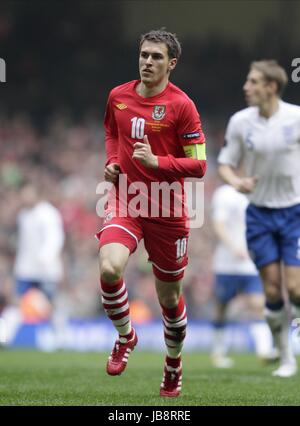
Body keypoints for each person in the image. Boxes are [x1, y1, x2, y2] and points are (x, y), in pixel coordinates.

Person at [96, 29, 207, 397]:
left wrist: (157, 161)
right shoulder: (118, 96)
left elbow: (200, 165)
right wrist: (113, 162)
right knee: (110, 266)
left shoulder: (182, 106)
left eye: (156, 57)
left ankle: (173, 365)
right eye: (144, 55)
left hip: (166, 208)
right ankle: (126, 337)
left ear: (171, 64)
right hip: (126, 198)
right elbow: (112, 133)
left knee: (170, 299)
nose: (147, 62)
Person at [218, 60, 300, 377]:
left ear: (272, 87)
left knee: (295, 289)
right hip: (260, 214)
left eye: (253, 82)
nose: (246, 87)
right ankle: (285, 357)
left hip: (294, 211)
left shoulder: (295, 118)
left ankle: (291, 340)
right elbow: (225, 163)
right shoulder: (240, 122)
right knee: (271, 291)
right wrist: (236, 181)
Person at [210, 184, 277, 368]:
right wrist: (234, 247)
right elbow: (218, 223)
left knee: (257, 304)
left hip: (250, 263)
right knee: (222, 307)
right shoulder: (225, 193)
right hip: (226, 263)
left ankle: (265, 351)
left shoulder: (260, 192)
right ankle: (218, 352)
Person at [14, 183, 65, 305]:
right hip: (25, 268)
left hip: (46, 269)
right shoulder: (23, 215)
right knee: (23, 303)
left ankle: (56, 324)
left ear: (36, 194)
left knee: (49, 303)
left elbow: (56, 238)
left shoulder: (48, 213)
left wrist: (45, 257)